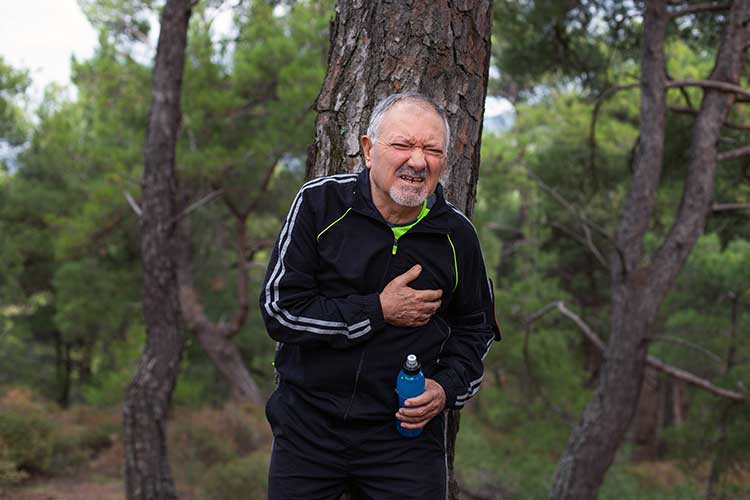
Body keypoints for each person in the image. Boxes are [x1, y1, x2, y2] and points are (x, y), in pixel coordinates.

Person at [259, 92, 501, 500]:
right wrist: (377, 310)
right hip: (308, 427)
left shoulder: (456, 236)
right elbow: (280, 310)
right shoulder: (319, 205)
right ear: (369, 150)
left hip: (404, 438)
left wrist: (444, 389)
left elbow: (476, 327)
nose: (418, 161)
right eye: (403, 145)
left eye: (432, 150)